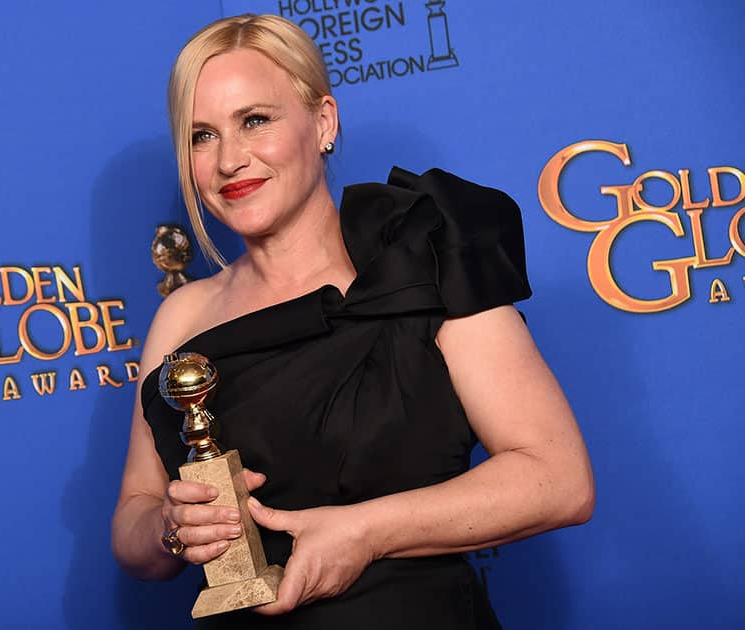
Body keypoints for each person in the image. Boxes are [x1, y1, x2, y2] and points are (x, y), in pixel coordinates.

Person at [111, 13, 594, 629]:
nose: (230, 159)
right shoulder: (183, 312)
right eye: (202, 135)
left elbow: (558, 480)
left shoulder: (426, 259)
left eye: (255, 120)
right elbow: (135, 514)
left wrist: (364, 531)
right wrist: (169, 529)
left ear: (323, 122)